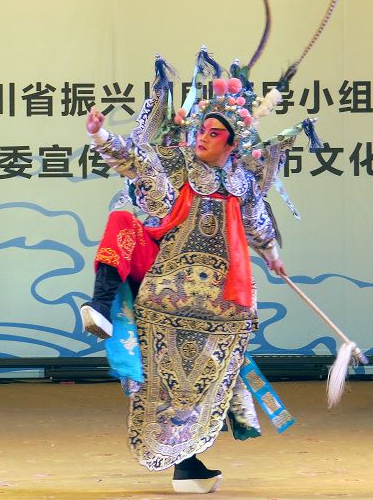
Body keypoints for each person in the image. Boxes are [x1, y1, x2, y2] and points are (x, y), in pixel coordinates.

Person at [82, 55, 311, 493]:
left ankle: (187, 465)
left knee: (205, 384)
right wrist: (101, 136)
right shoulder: (178, 172)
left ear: (232, 144)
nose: (202, 138)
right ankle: (102, 307)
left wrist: (273, 255)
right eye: (201, 130)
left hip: (225, 302)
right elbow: (137, 163)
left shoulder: (243, 184)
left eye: (214, 133)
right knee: (165, 381)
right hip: (168, 291)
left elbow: (258, 224)